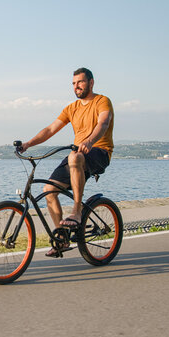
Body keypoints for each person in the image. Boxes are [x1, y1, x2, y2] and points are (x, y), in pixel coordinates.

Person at [20, 68, 114, 257]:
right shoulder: (72, 108)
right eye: (73, 83)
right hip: (78, 154)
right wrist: (28, 144)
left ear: (91, 83)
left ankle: (77, 211)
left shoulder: (102, 101)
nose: (76, 86)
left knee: (74, 156)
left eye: (80, 82)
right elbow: (50, 129)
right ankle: (62, 239)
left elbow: (103, 123)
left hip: (99, 152)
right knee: (48, 190)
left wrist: (89, 141)